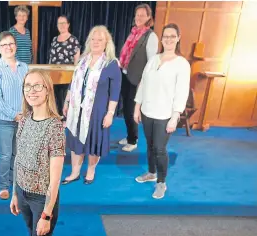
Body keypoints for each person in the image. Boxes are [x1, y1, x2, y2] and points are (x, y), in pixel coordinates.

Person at [10, 70, 65, 236]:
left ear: (47, 90)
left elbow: (55, 179)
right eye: (27, 86)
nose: (31, 90)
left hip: (42, 200)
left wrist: (46, 213)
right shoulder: (24, 120)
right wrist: (14, 193)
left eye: (37, 86)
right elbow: (18, 159)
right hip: (22, 193)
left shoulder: (55, 126)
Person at [134, 23, 190, 199]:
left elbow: (182, 92)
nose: (168, 39)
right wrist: (137, 106)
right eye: (165, 36)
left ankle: (161, 182)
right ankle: (151, 173)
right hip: (147, 110)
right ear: (162, 38)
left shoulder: (182, 64)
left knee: (159, 148)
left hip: (165, 114)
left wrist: (175, 116)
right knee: (150, 146)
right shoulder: (154, 59)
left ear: (178, 38)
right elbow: (143, 82)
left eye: (172, 36)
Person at [62, 25, 121, 185]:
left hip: (98, 111)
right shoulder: (82, 60)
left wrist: (110, 113)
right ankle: (74, 172)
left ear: (106, 42)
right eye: (93, 39)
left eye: (100, 40)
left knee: (94, 142)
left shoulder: (111, 64)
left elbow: (115, 92)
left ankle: (90, 171)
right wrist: (67, 102)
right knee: (76, 141)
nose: (96, 42)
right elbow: (73, 83)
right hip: (77, 110)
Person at [0, 31, 29, 200]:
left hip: (22, 118)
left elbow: (28, 92)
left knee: (17, 154)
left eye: (11, 44)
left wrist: (26, 113)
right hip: (2, 120)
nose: (8, 47)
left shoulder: (24, 67)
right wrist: (14, 115)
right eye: (4, 45)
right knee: (5, 154)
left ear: (16, 46)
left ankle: (16, 182)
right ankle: (4, 186)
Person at [119, 3, 158, 152]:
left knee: (131, 110)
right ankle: (129, 135)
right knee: (126, 109)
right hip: (125, 75)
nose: (139, 17)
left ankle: (133, 140)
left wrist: (145, 81)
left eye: (143, 15)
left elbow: (152, 63)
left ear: (149, 17)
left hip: (138, 79)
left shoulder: (151, 36)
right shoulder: (133, 32)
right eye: (137, 14)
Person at [48, 15, 81, 115]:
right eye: (59, 23)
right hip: (54, 76)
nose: (61, 25)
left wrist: (75, 77)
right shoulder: (54, 39)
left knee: (64, 100)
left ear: (68, 25)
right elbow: (51, 58)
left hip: (67, 77)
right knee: (55, 99)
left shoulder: (73, 40)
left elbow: (77, 60)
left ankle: (65, 119)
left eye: (64, 23)